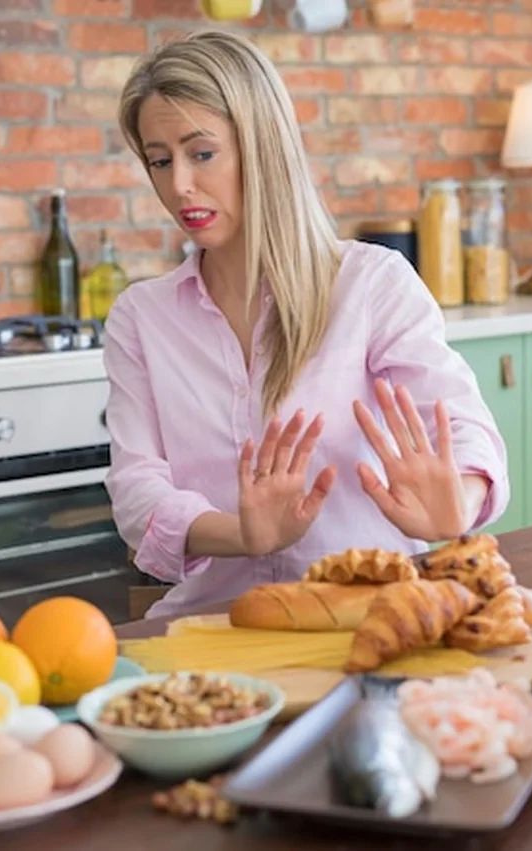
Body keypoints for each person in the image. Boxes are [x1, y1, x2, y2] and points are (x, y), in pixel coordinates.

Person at [104, 29, 509, 620]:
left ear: (261, 146)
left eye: (202, 153)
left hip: (373, 618)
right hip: (217, 625)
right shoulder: (141, 317)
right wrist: (245, 535)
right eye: (160, 161)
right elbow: (137, 490)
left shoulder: (372, 284)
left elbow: (465, 432)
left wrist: (459, 504)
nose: (179, 185)